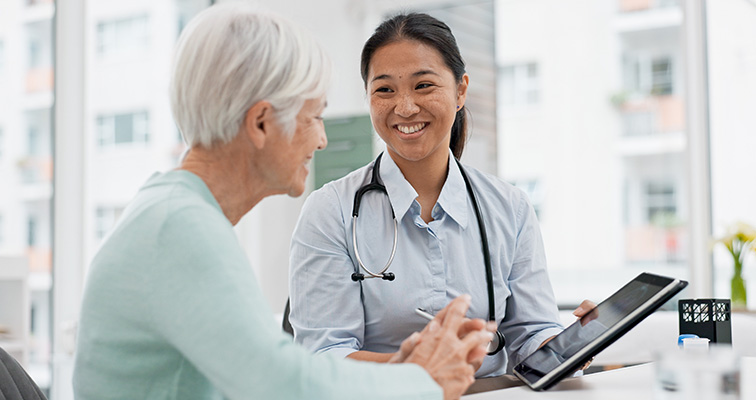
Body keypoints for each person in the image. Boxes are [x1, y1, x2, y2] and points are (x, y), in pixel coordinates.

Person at [72, 4, 494, 400]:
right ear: (261, 123)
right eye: (313, 117)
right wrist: (424, 383)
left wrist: (405, 368)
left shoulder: (176, 214)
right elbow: (280, 384)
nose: (322, 139)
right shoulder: (178, 228)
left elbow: (271, 369)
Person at [289, 12, 591, 378]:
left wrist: (572, 346)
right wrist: (420, 370)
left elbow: (532, 337)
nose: (405, 107)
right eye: (385, 89)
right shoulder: (330, 212)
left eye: (424, 85)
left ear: (461, 90)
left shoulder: (510, 208)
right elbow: (322, 357)